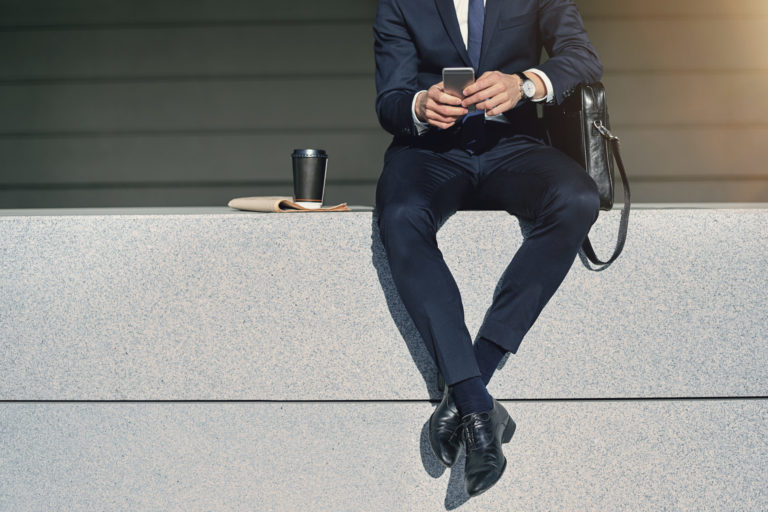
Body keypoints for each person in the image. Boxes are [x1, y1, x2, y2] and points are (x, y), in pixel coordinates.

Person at [372, 0, 604, 498]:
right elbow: (389, 98)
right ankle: (480, 412)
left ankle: (471, 382)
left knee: (578, 197)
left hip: (514, 143)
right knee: (398, 216)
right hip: (428, 152)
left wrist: (524, 84)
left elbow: (581, 55)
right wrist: (419, 105)